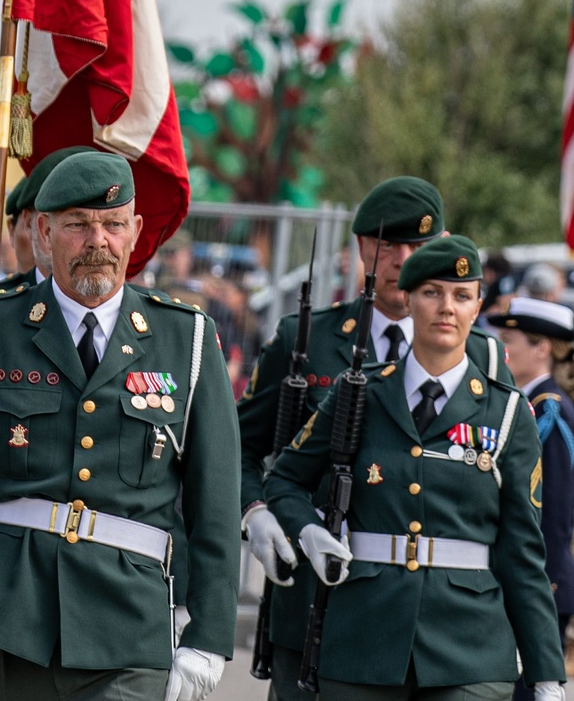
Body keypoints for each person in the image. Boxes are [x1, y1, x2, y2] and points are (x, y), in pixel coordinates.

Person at [0, 151, 241, 701]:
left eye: (114, 224)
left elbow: (215, 500)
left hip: (128, 624)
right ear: (43, 232)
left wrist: (209, 632)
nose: (99, 241)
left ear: (136, 232)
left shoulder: (184, 339)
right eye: (78, 225)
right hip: (1, 614)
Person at [236, 176, 513, 701]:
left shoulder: (485, 359)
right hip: (315, 597)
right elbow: (240, 448)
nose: (404, 261)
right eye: (390, 246)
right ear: (363, 249)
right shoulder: (306, 340)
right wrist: (256, 511)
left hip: (439, 627)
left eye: (420, 246)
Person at [264, 235, 566, 701]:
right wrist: (308, 530)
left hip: (468, 649)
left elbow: (522, 551)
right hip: (363, 637)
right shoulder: (357, 392)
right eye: (432, 293)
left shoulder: (507, 413)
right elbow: (284, 479)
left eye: (461, 296)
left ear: (477, 307)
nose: (447, 307)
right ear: (406, 299)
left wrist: (547, 673)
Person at [486, 298, 574, 701]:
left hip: (541, 583)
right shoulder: (525, 404)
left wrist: (545, 585)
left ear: (541, 349)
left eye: (509, 340)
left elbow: (552, 513)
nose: (501, 350)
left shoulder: (547, 412)